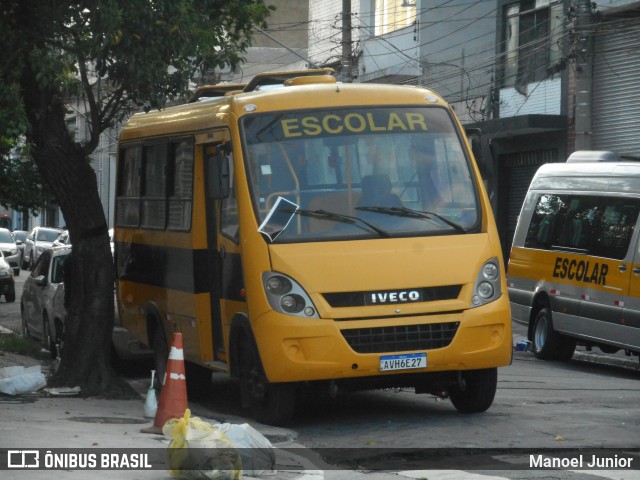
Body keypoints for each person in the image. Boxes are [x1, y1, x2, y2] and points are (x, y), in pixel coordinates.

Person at [409, 138, 444, 210]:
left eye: (412, 149)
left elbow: (441, 199)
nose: (409, 153)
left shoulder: (434, 171)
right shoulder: (419, 171)